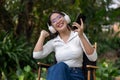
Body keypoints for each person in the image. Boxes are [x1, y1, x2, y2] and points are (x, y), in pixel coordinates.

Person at [33, 11, 97, 80]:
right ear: (52, 28)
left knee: (60, 66)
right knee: (58, 67)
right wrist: (42, 35)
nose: (58, 21)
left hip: (75, 75)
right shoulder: (54, 42)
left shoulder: (78, 35)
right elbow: (36, 55)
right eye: (54, 21)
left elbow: (93, 58)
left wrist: (81, 36)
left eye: (59, 17)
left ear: (66, 19)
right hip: (59, 74)